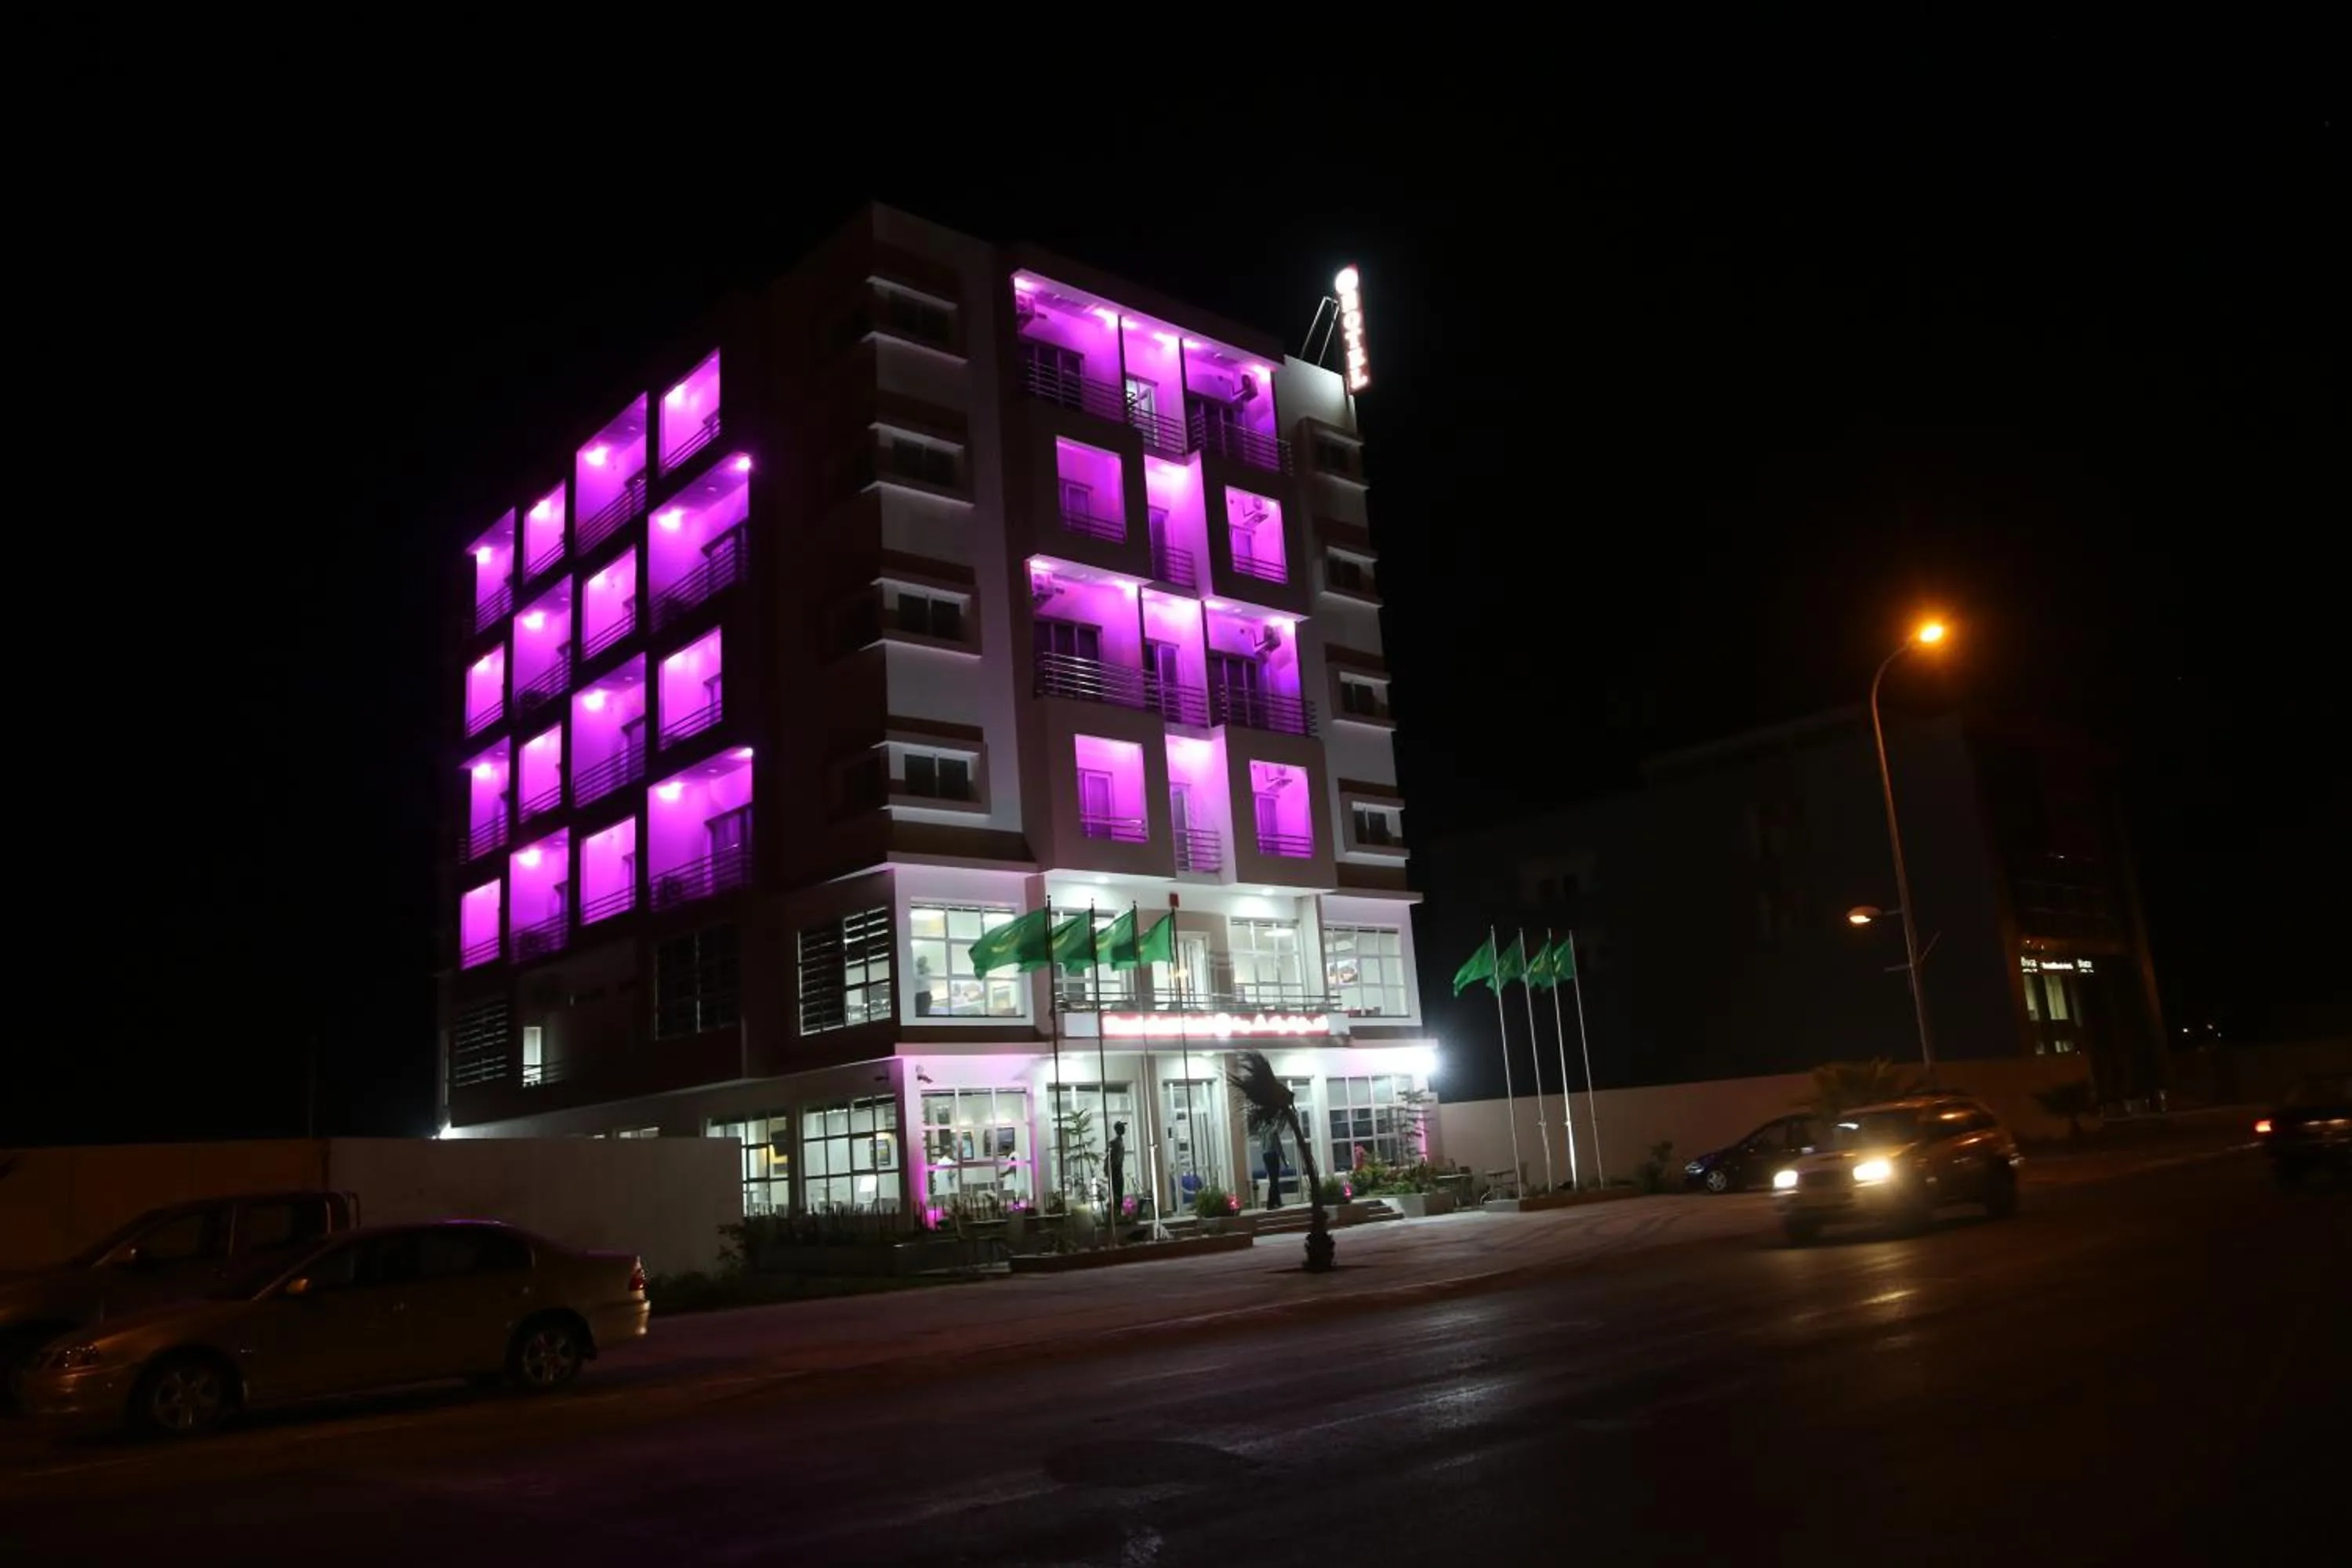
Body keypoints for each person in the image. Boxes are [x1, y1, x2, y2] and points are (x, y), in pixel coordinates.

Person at [1105, 1121, 1127, 1226]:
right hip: (1115, 1171)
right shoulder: (1114, 1143)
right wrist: (1108, 1169)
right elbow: (1109, 1158)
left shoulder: (1120, 1142)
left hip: (1119, 1170)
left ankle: (1118, 1215)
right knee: (1116, 1193)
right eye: (1122, 1128)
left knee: (1119, 1193)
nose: (1124, 1129)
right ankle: (1115, 1216)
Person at [1261, 1124, 1285, 1210]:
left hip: (1266, 1155)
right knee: (1274, 1180)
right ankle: (1273, 1203)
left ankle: (1275, 1202)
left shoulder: (1262, 1130)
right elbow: (1278, 1145)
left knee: (1273, 1180)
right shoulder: (1274, 1130)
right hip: (1273, 1155)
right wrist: (1284, 1159)